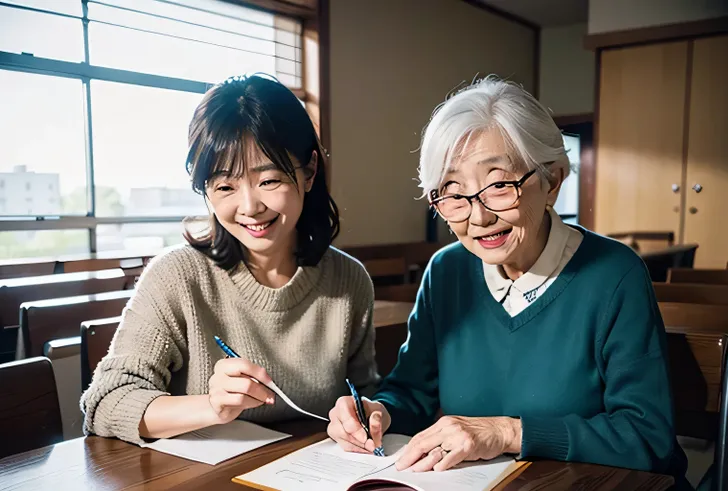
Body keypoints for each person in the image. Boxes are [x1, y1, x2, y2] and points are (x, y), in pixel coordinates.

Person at [326, 77, 690, 487]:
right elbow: (412, 392)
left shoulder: (614, 274)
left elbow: (648, 437)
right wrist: (377, 411)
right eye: (452, 192)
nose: (478, 217)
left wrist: (507, 432)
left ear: (552, 180)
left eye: (499, 185)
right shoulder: (446, 271)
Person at [81, 74, 378, 445]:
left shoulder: (349, 281)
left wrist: (364, 413)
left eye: (269, 180)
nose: (250, 207)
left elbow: (363, 390)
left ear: (309, 172)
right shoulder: (177, 277)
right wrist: (211, 406)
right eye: (224, 187)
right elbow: (106, 402)